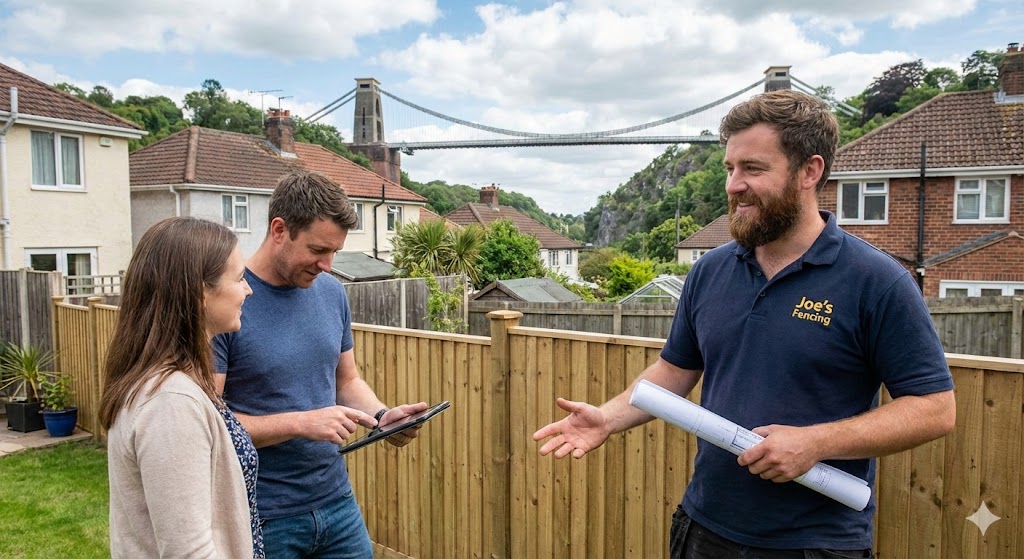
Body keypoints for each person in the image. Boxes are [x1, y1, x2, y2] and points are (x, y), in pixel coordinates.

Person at [533, 89, 956, 558]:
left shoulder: (877, 281)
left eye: (753, 169)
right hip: (703, 526)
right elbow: (674, 372)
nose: (734, 184)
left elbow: (935, 408)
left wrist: (817, 442)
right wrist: (608, 418)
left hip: (815, 544)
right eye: (730, 169)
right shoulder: (709, 270)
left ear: (809, 172)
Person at [213, 170, 428, 559]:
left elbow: (346, 380)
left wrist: (381, 417)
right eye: (317, 250)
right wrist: (302, 422)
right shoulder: (225, 302)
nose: (327, 265)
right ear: (280, 229)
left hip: (336, 500)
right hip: (263, 514)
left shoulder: (330, 293)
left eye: (334, 252)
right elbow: (210, 423)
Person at [100, 217, 262, 558]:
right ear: (200, 293)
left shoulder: (173, 384)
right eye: (239, 278)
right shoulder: (170, 402)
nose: (248, 289)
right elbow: (189, 551)